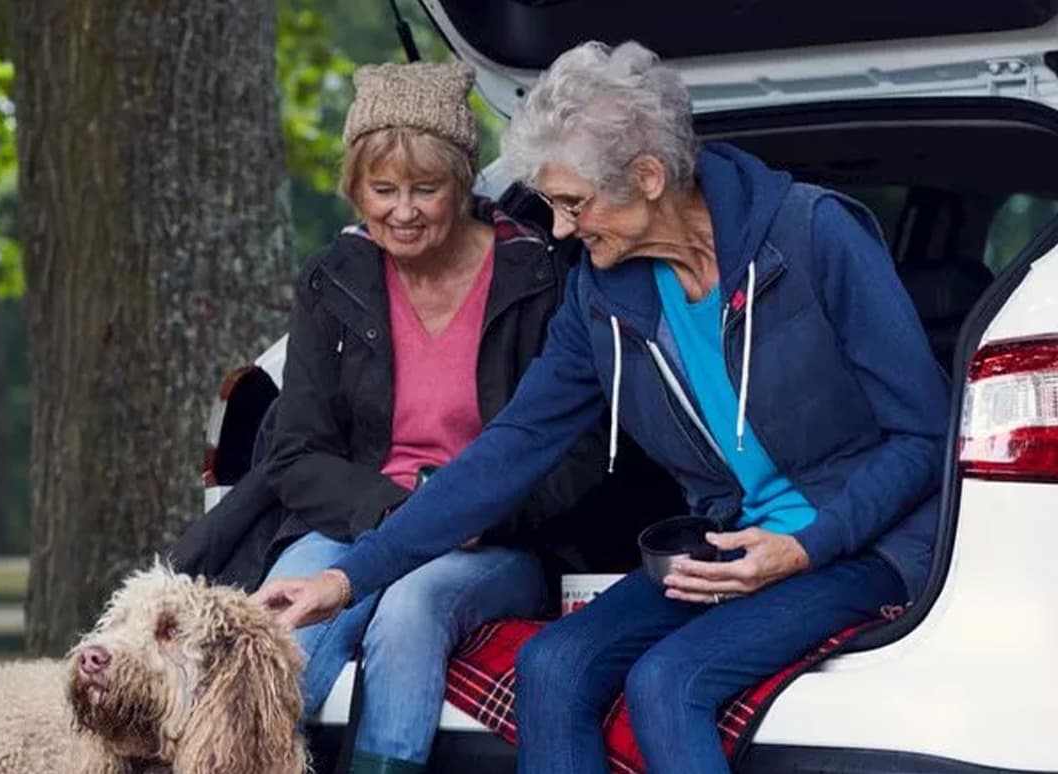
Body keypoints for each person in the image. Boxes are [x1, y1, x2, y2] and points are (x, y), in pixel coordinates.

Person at [254, 41, 948, 774]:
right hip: (729, 542)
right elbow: (510, 448)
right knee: (552, 665)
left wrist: (807, 545)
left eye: (573, 203)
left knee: (668, 682)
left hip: (859, 541)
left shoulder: (813, 234)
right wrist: (346, 580)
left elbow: (924, 435)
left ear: (648, 177)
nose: (558, 229)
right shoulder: (602, 293)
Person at [240, 60, 607, 774]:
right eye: (383, 190)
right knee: (278, 629)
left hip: (495, 538)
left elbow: (581, 452)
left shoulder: (537, 275)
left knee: (411, 608)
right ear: (356, 189)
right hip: (359, 519)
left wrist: (480, 515)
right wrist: (401, 510)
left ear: (464, 186)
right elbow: (295, 454)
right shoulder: (332, 280)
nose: (403, 211)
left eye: (425, 189)